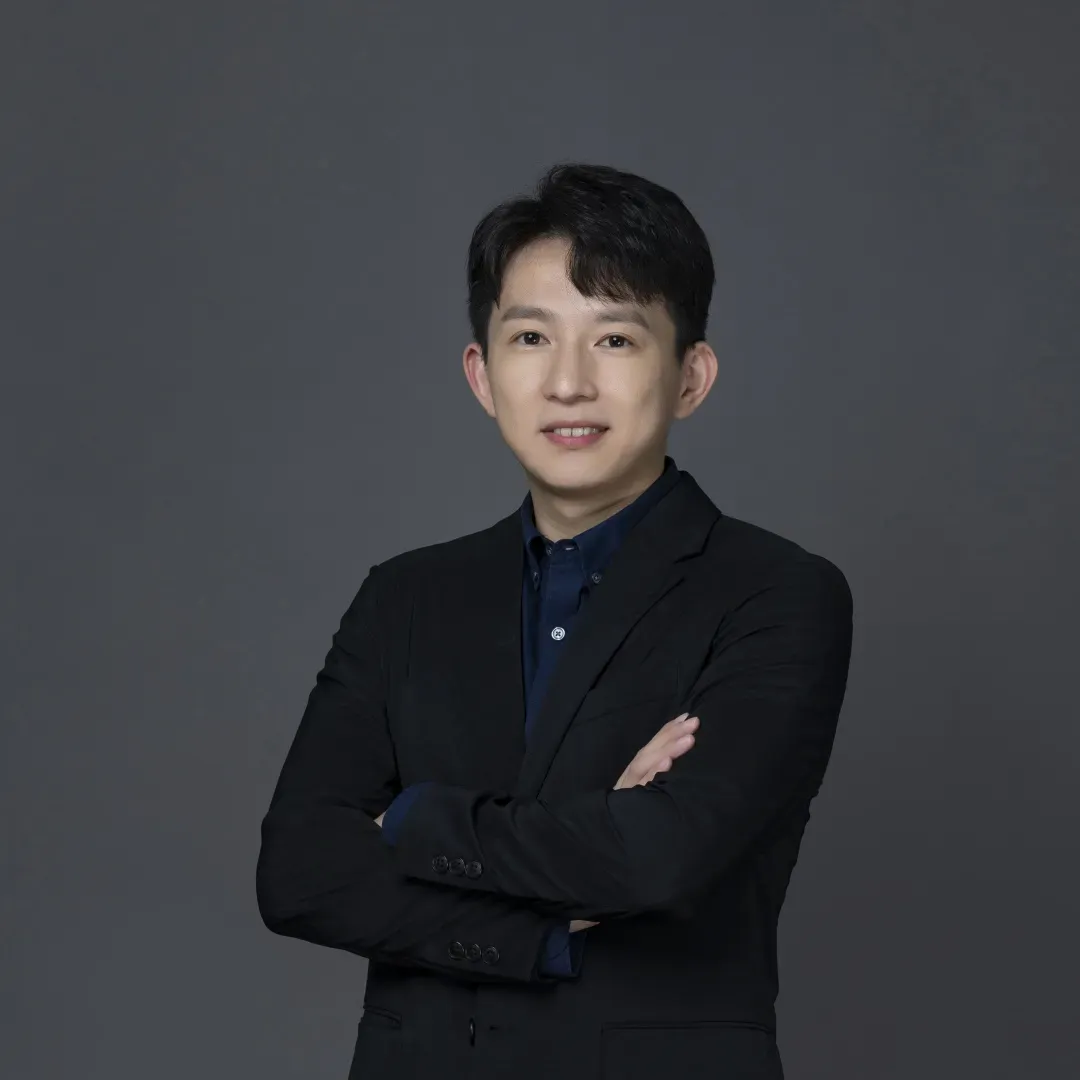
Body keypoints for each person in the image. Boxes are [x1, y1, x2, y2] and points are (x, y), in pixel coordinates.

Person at [256, 162, 854, 1080]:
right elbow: (299, 874)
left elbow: (656, 858)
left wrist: (407, 818)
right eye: (531, 337)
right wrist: (546, 927)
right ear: (482, 374)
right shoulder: (404, 597)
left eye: (615, 339)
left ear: (690, 377)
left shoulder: (777, 593)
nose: (569, 382)